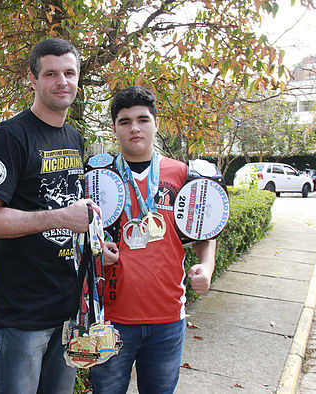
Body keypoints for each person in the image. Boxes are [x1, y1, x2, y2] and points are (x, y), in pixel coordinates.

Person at [0, 37, 98, 394]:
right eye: (51, 73)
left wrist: (98, 242)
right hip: (24, 315)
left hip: (69, 309)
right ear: (33, 79)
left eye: (70, 72)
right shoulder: (8, 137)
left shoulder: (74, 137)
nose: (62, 81)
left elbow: (75, 211)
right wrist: (58, 217)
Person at [90, 86, 217, 394]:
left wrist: (207, 266)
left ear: (155, 124)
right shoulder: (97, 177)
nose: (134, 127)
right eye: (125, 121)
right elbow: (82, 234)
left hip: (168, 317)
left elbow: (204, 231)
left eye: (143, 119)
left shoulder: (182, 174)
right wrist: (95, 250)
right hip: (110, 319)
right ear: (114, 128)